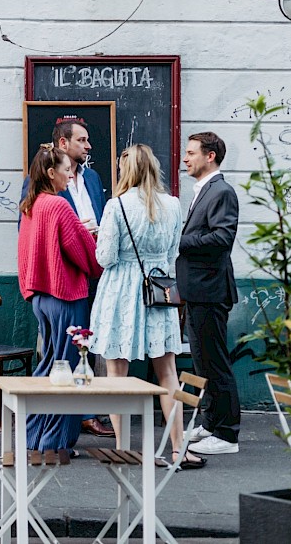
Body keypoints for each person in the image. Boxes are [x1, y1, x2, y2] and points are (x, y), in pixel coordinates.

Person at [87, 145, 205, 469]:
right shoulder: (172, 205)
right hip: (158, 290)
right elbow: (172, 255)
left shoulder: (116, 206)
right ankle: (180, 448)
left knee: (117, 371)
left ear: (127, 171)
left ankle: (124, 448)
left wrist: (97, 236)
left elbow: (105, 258)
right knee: (167, 373)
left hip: (121, 292)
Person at [20, 116, 113, 438]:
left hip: (45, 292)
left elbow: (30, 247)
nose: (69, 175)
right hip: (65, 288)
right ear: (52, 171)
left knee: (53, 366)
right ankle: (54, 440)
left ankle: (33, 434)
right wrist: (90, 243)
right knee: (66, 367)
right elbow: (80, 250)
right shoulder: (58, 205)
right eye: (64, 171)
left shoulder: (32, 203)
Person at [179, 131, 240, 455]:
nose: (186, 159)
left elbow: (221, 239)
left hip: (210, 290)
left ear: (210, 156)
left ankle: (227, 434)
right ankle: (210, 422)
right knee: (204, 362)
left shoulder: (221, 191)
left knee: (215, 364)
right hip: (199, 290)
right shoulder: (205, 190)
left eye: (191, 153)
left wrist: (181, 240)